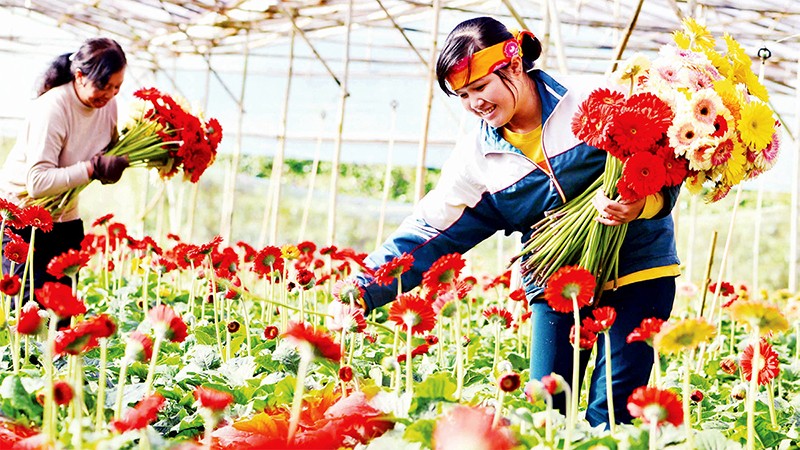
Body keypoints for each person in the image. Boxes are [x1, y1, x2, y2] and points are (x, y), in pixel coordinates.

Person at [355, 17, 680, 427]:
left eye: (480, 87)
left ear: (513, 66)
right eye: (463, 95)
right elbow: (430, 228)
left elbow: (666, 167)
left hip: (639, 267)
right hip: (556, 278)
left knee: (614, 412)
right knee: (546, 408)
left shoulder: (593, 99)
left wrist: (642, 205)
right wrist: (362, 290)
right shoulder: (477, 155)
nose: (475, 103)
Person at [1, 37, 129, 297]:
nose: (110, 94)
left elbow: (105, 155)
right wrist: (92, 169)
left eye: (117, 87)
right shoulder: (52, 108)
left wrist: (115, 165)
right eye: (105, 85)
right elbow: (36, 183)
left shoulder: (109, 106)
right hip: (24, 218)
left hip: (64, 216)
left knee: (62, 311)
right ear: (80, 76)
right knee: (25, 312)